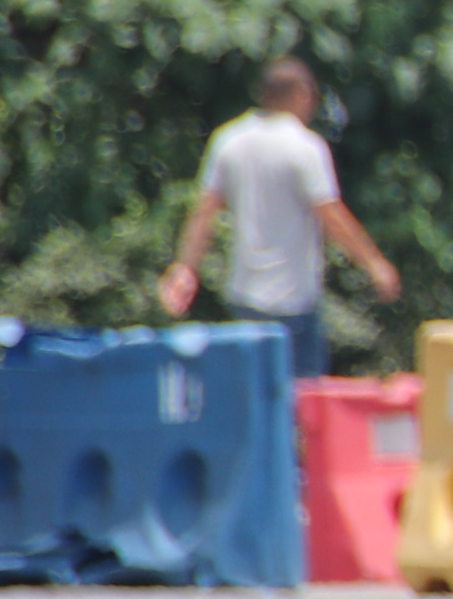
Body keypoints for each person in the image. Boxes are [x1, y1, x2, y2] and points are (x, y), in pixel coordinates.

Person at [156, 57, 400, 378]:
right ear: (300, 94)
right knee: (301, 405)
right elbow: (331, 216)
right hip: (294, 301)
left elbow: (204, 212)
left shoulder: (229, 141)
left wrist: (185, 268)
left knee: (254, 401)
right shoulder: (305, 147)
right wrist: (373, 264)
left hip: (244, 296)